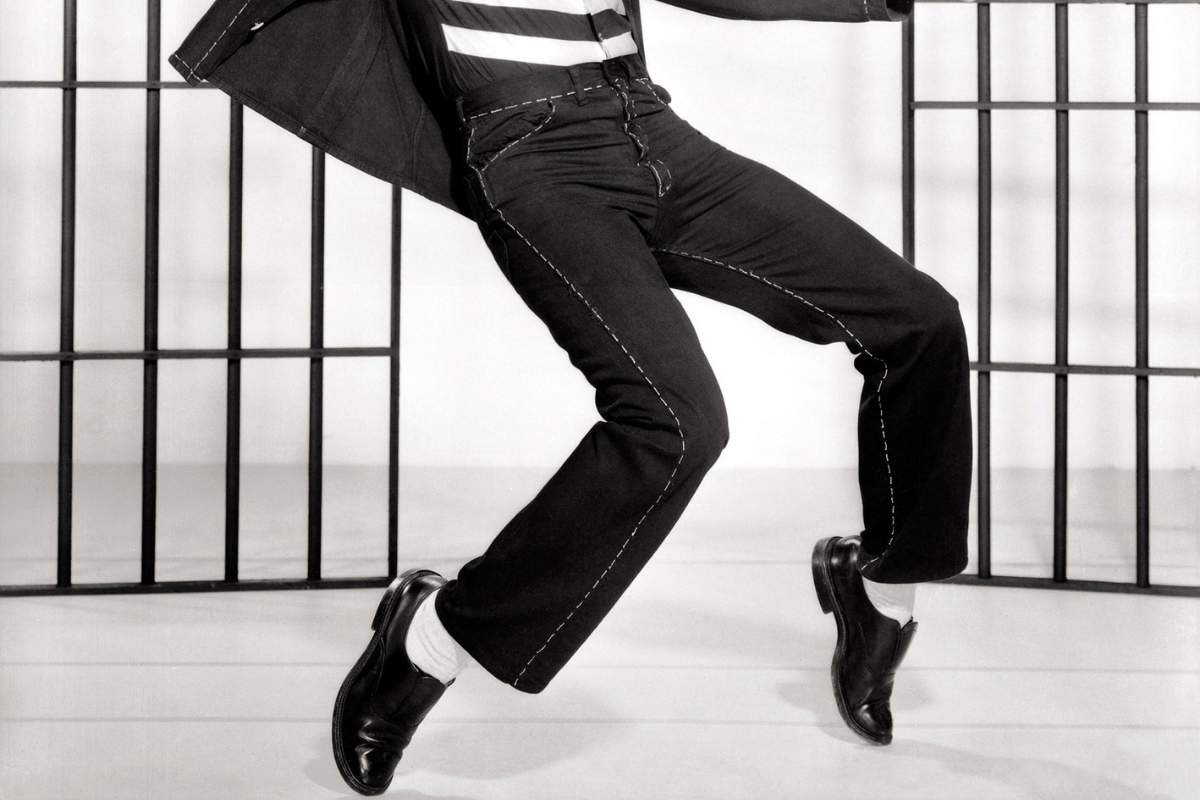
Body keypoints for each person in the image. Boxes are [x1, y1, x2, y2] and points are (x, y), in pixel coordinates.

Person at [171, 0, 971, 795]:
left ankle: (881, 591)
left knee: (918, 321)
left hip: (650, 130)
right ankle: (432, 641)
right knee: (676, 424)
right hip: (529, 154)